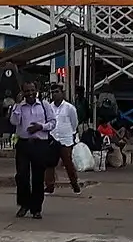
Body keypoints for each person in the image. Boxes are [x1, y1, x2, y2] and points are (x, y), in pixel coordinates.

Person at [8, 81, 57, 219]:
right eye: (27, 91)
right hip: (23, 144)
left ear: (36, 90)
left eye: (32, 90)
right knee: (21, 175)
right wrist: (17, 105)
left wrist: (40, 127)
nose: (30, 93)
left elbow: (53, 122)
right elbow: (14, 122)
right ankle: (24, 204)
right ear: (23, 92)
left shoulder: (44, 105)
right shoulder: (19, 106)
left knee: (38, 177)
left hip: (40, 144)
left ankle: (36, 208)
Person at [46, 84, 83, 194]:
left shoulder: (69, 108)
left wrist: (71, 133)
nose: (54, 94)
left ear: (62, 93)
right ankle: (49, 186)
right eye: (53, 92)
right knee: (49, 164)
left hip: (65, 139)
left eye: (57, 92)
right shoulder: (49, 108)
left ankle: (74, 184)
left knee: (68, 163)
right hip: (53, 138)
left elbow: (74, 122)